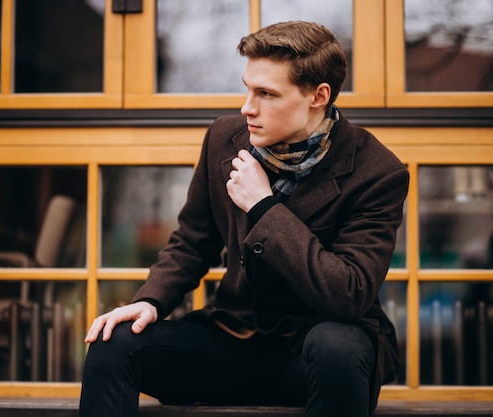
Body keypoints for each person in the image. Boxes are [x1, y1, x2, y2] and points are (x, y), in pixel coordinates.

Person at [79, 20, 408, 417]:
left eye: (266, 94)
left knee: (335, 345)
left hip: (315, 359)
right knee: (112, 343)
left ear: (318, 96)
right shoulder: (224, 137)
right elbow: (192, 240)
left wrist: (265, 208)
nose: (247, 107)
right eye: (248, 88)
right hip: (232, 344)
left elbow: (349, 292)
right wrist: (151, 300)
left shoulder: (377, 172)